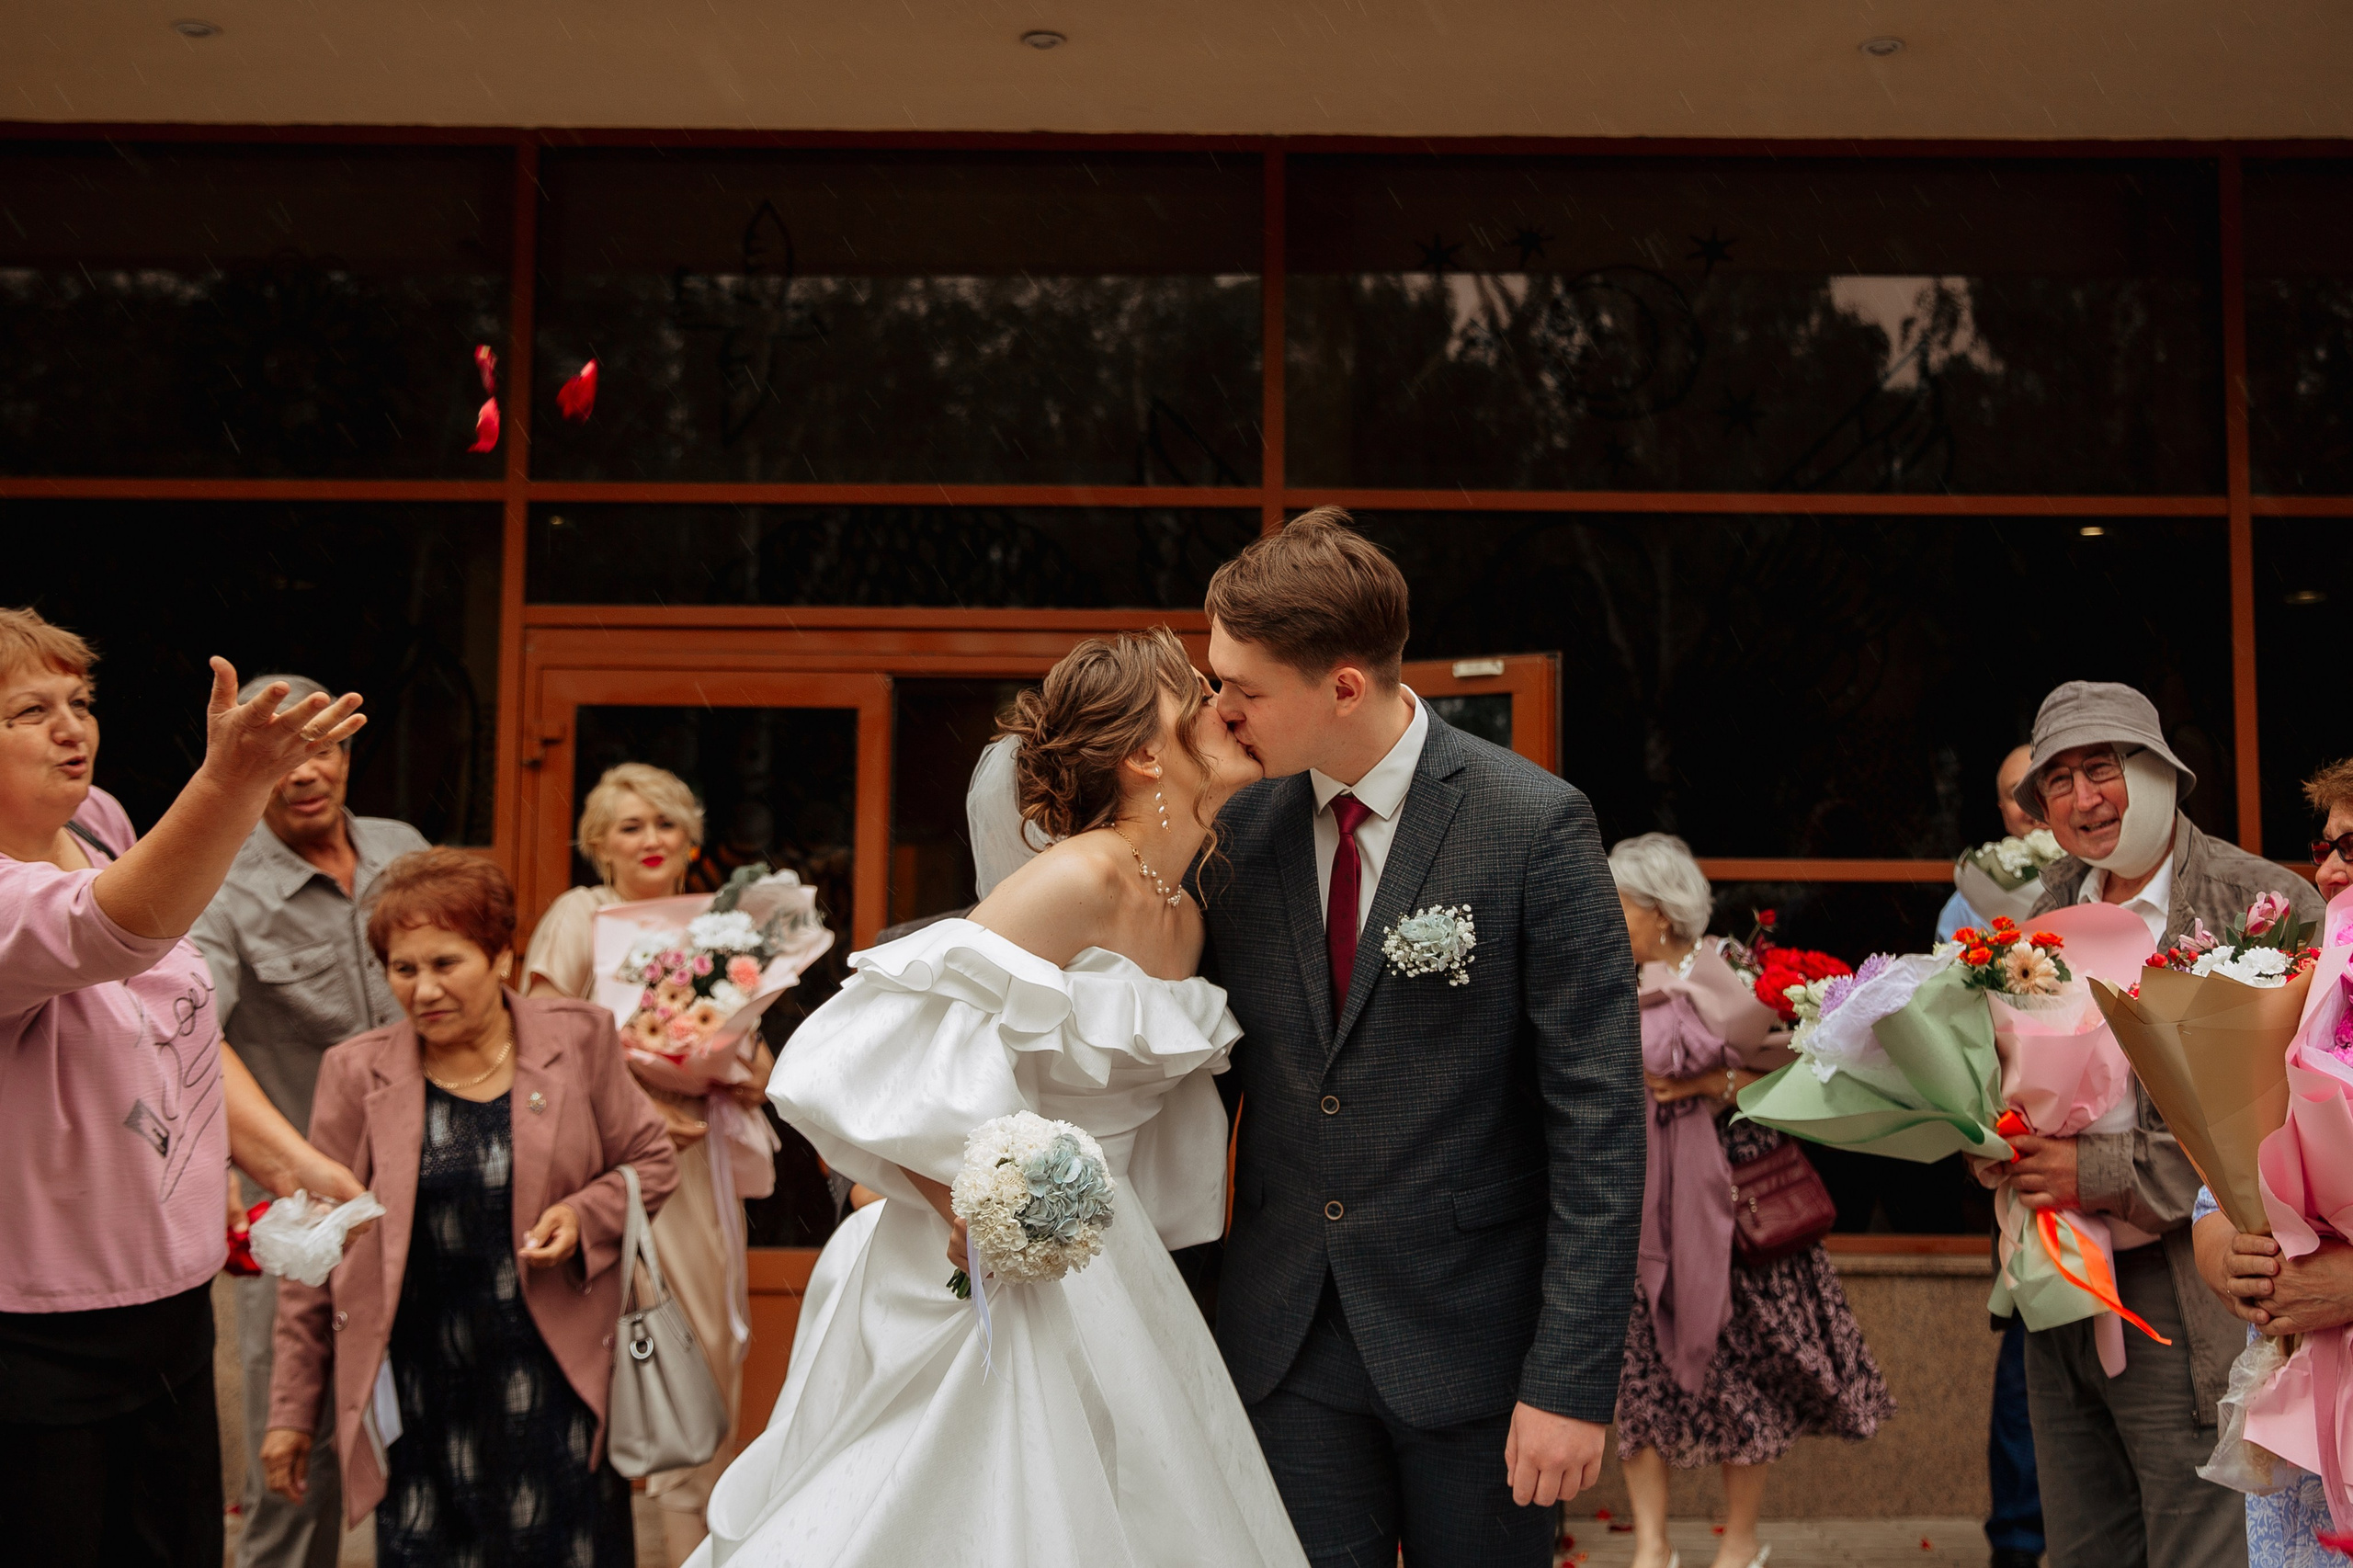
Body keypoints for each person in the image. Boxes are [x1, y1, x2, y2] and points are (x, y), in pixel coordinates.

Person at [688, 627, 1305, 1566]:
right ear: (1145, 755)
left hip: (1113, 1255)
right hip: (974, 1263)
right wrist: (974, 1206)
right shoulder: (1077, 876)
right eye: (1200, 706)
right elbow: (849, 1054)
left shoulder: (1182, 905)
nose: (1227, 712)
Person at [1202, 510, 1647, 1566]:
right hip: (1283, 1348)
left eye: (1242, 687)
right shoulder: (1237, 829)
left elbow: (1599, 1123)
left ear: (1343, 686)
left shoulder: (1533, 823)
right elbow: (1191, 1081)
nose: (1216, 711)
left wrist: (1570, 1381)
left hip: (1479, 1356)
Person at [0, 607, 370, 1568]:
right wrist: (232, 781)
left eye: (77, 701)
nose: (70, 726)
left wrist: (287, 1156)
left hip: (166, 1304)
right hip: (32, 1332)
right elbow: (115, 931)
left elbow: (176, 1020)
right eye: (26, 710)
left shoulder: (102, 822)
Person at [262, 848, 680, 1568]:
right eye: (403, 969)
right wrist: (291, 1415)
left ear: (501, 956)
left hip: (558, 1382)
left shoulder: (577, 1040)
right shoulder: (356, 1073)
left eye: (445, 964)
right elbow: (312, 1253)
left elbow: (653, 1160)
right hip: (421, 1395)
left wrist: (584, 1214)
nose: (423, 990)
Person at [1990, 679, 2323, 1568]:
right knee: (2083, 1546)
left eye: (2102, 769)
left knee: (2198, 1546)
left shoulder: (2267, 903)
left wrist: (2092, 1170)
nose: (2082, 798)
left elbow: (2283, 1115)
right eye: (2057, 782)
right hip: (2062, 1293)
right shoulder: (2042, 908)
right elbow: (2011, 1071)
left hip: (2192, 1294)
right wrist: (1996, 1136)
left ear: (2163, 774)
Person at [191, 672, 428, 1568]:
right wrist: (218, 1155)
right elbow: (189, 1029)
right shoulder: (220, 881)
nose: (305, 770)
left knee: (448, 1438)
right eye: (284, 750)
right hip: (302, 1215)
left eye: (321, 745)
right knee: (293, 1465)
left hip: (432, 1185)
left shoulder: (403, 847)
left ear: (347, 750)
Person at [1609, 832, 1893, 1568]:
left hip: (1731, 1198)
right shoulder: (1603, 975)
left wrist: (1707, 1085)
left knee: (1749, 1367)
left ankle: (1738, 1543)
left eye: (1621, 903)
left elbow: (1787, 1074)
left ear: (1662, 911)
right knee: (1633, 1371)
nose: (1609, 915)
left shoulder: (1728, 971)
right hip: (1639, 1193)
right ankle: (1650, 1546)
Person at [521, 761, 774, 1566]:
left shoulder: (716, 928)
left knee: (698, 1351)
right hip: (598, 1166)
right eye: (630, 826)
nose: (652, 839)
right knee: (598, 1354)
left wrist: (748, 1070)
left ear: (691, 836)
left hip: (698, 1169)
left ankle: (692, 1548)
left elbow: (747, 1051)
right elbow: (536, 1040)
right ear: (599, 843)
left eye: (666, 823)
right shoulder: (579, 914)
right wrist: (639, 1100)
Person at [2188, 755, 2353, 1567]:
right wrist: (2237, 1259)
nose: (2324, 869)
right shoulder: (2295, 996)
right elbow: (2214, 1199)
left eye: (2351, 848)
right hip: (2306, 1447)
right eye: (2322, 845)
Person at [1935, 744, 2041, 941]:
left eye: (2042, 787)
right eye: (2018, 793)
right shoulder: (1968, 902)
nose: (2034, 804)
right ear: (2004, 813)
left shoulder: (2104, 880)